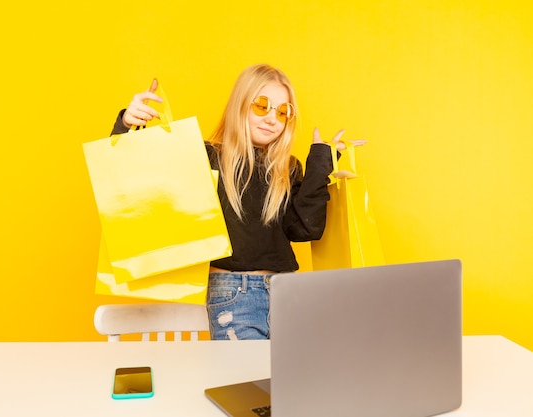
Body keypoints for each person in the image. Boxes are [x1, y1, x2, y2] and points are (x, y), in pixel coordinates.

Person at [111, 64, 365, 340]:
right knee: (249, 381)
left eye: (283, 112)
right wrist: (127, 125)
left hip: (288, 292)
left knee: (293, 380)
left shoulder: (287, 168)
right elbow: (134, 176)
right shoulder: (207, 157)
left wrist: (320, 165)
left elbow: (305, 230)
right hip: (234, 293)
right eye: (262, 106)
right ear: (241, 104)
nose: (272, 119)